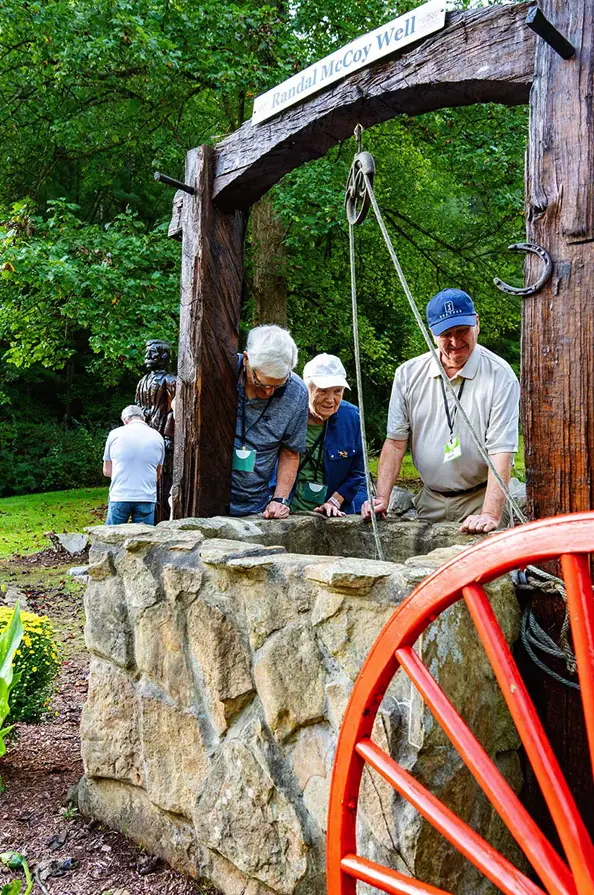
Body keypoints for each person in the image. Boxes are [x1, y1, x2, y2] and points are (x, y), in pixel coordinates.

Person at [362, 288, 520, 533]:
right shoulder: (407, 374)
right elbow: (395, 443)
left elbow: (501, 452)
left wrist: (489, 514)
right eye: (446, 334)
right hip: (430, 500)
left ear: (476, 323)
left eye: (462, 331)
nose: (456, 342)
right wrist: (381, 498)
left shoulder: (501, 376)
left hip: (480, 499)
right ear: (432, 334)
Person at [231, 325, 308, 518]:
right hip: (206, 496)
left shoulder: (297, 392)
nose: (268, 392)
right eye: (262, 383)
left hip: (255, 504)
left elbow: (291, 452)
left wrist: (279, 499)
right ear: (247, 359)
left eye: (278, 385)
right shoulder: (223, 372)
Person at [289, 353, 367, 516]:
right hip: (288, 510)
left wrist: (335, 501)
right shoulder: (288, 413)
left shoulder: (351, 417)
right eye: (323, 391)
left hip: (332, 512)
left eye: (337, 391)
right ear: (306, 387)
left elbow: (359, 472)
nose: (330, 400)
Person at [135, 339, 177, 522]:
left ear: (164, 356)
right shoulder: (142, 381)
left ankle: (162, 518)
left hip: (163, 438)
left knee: (164, 479)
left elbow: (175, 410)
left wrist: (168, 435)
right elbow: (137, 408)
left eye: (152, 352)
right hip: (145, 437)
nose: (147, 356)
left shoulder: (171, 381)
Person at [103, 405, 165, 525]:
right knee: (144, 539)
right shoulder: (157, 437)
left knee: (111, 539)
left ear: (125, 420)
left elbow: (107, 471)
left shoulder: (115, 434)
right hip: (146, 496)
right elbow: (158, 473)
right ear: (143, 418)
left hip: (120, 495)